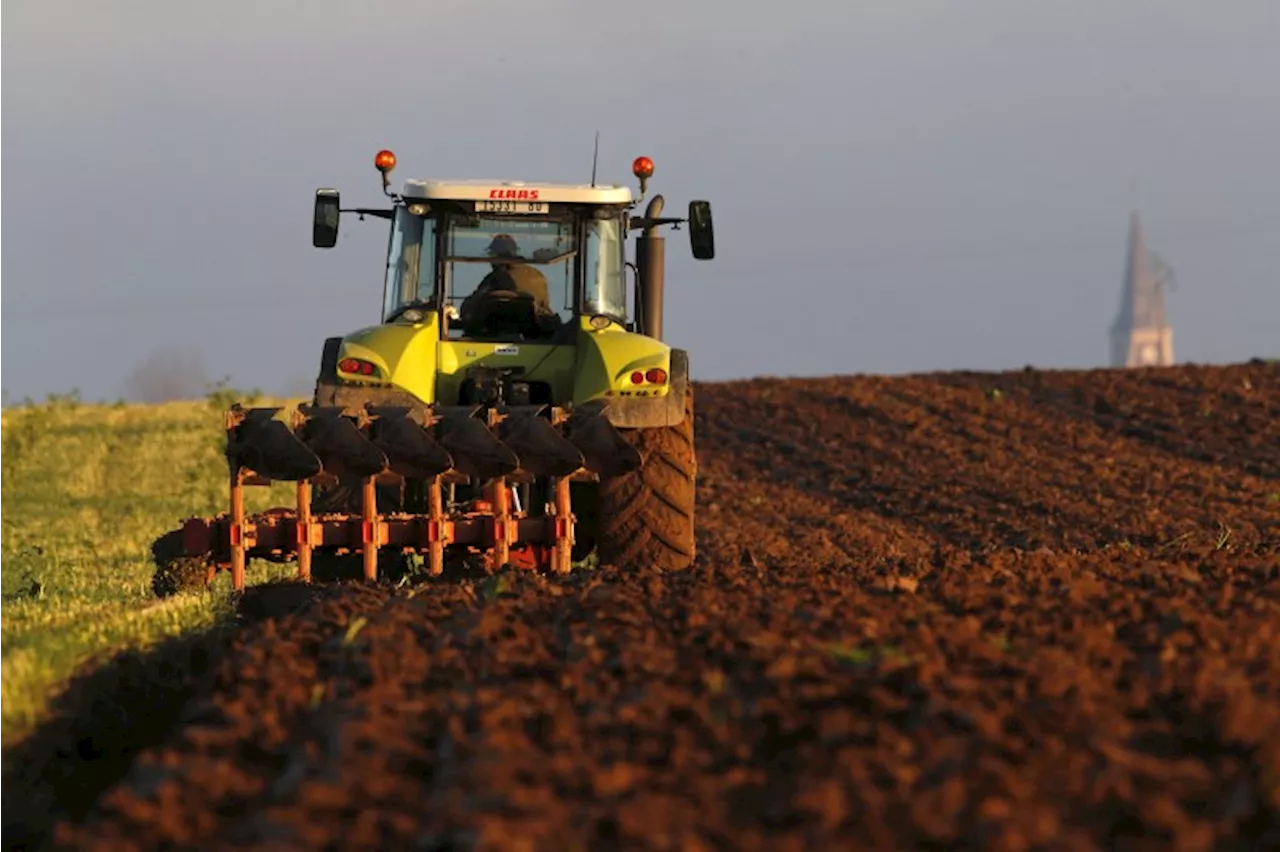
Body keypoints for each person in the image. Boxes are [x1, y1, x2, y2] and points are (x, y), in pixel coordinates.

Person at [459, 234, 559, 336]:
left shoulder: (493, 279)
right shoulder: (536, 275)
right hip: (533, 337)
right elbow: (544, 307)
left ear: (495, 255)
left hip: (493, 336)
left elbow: (472, 306)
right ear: (515, 252)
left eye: (491, 254)